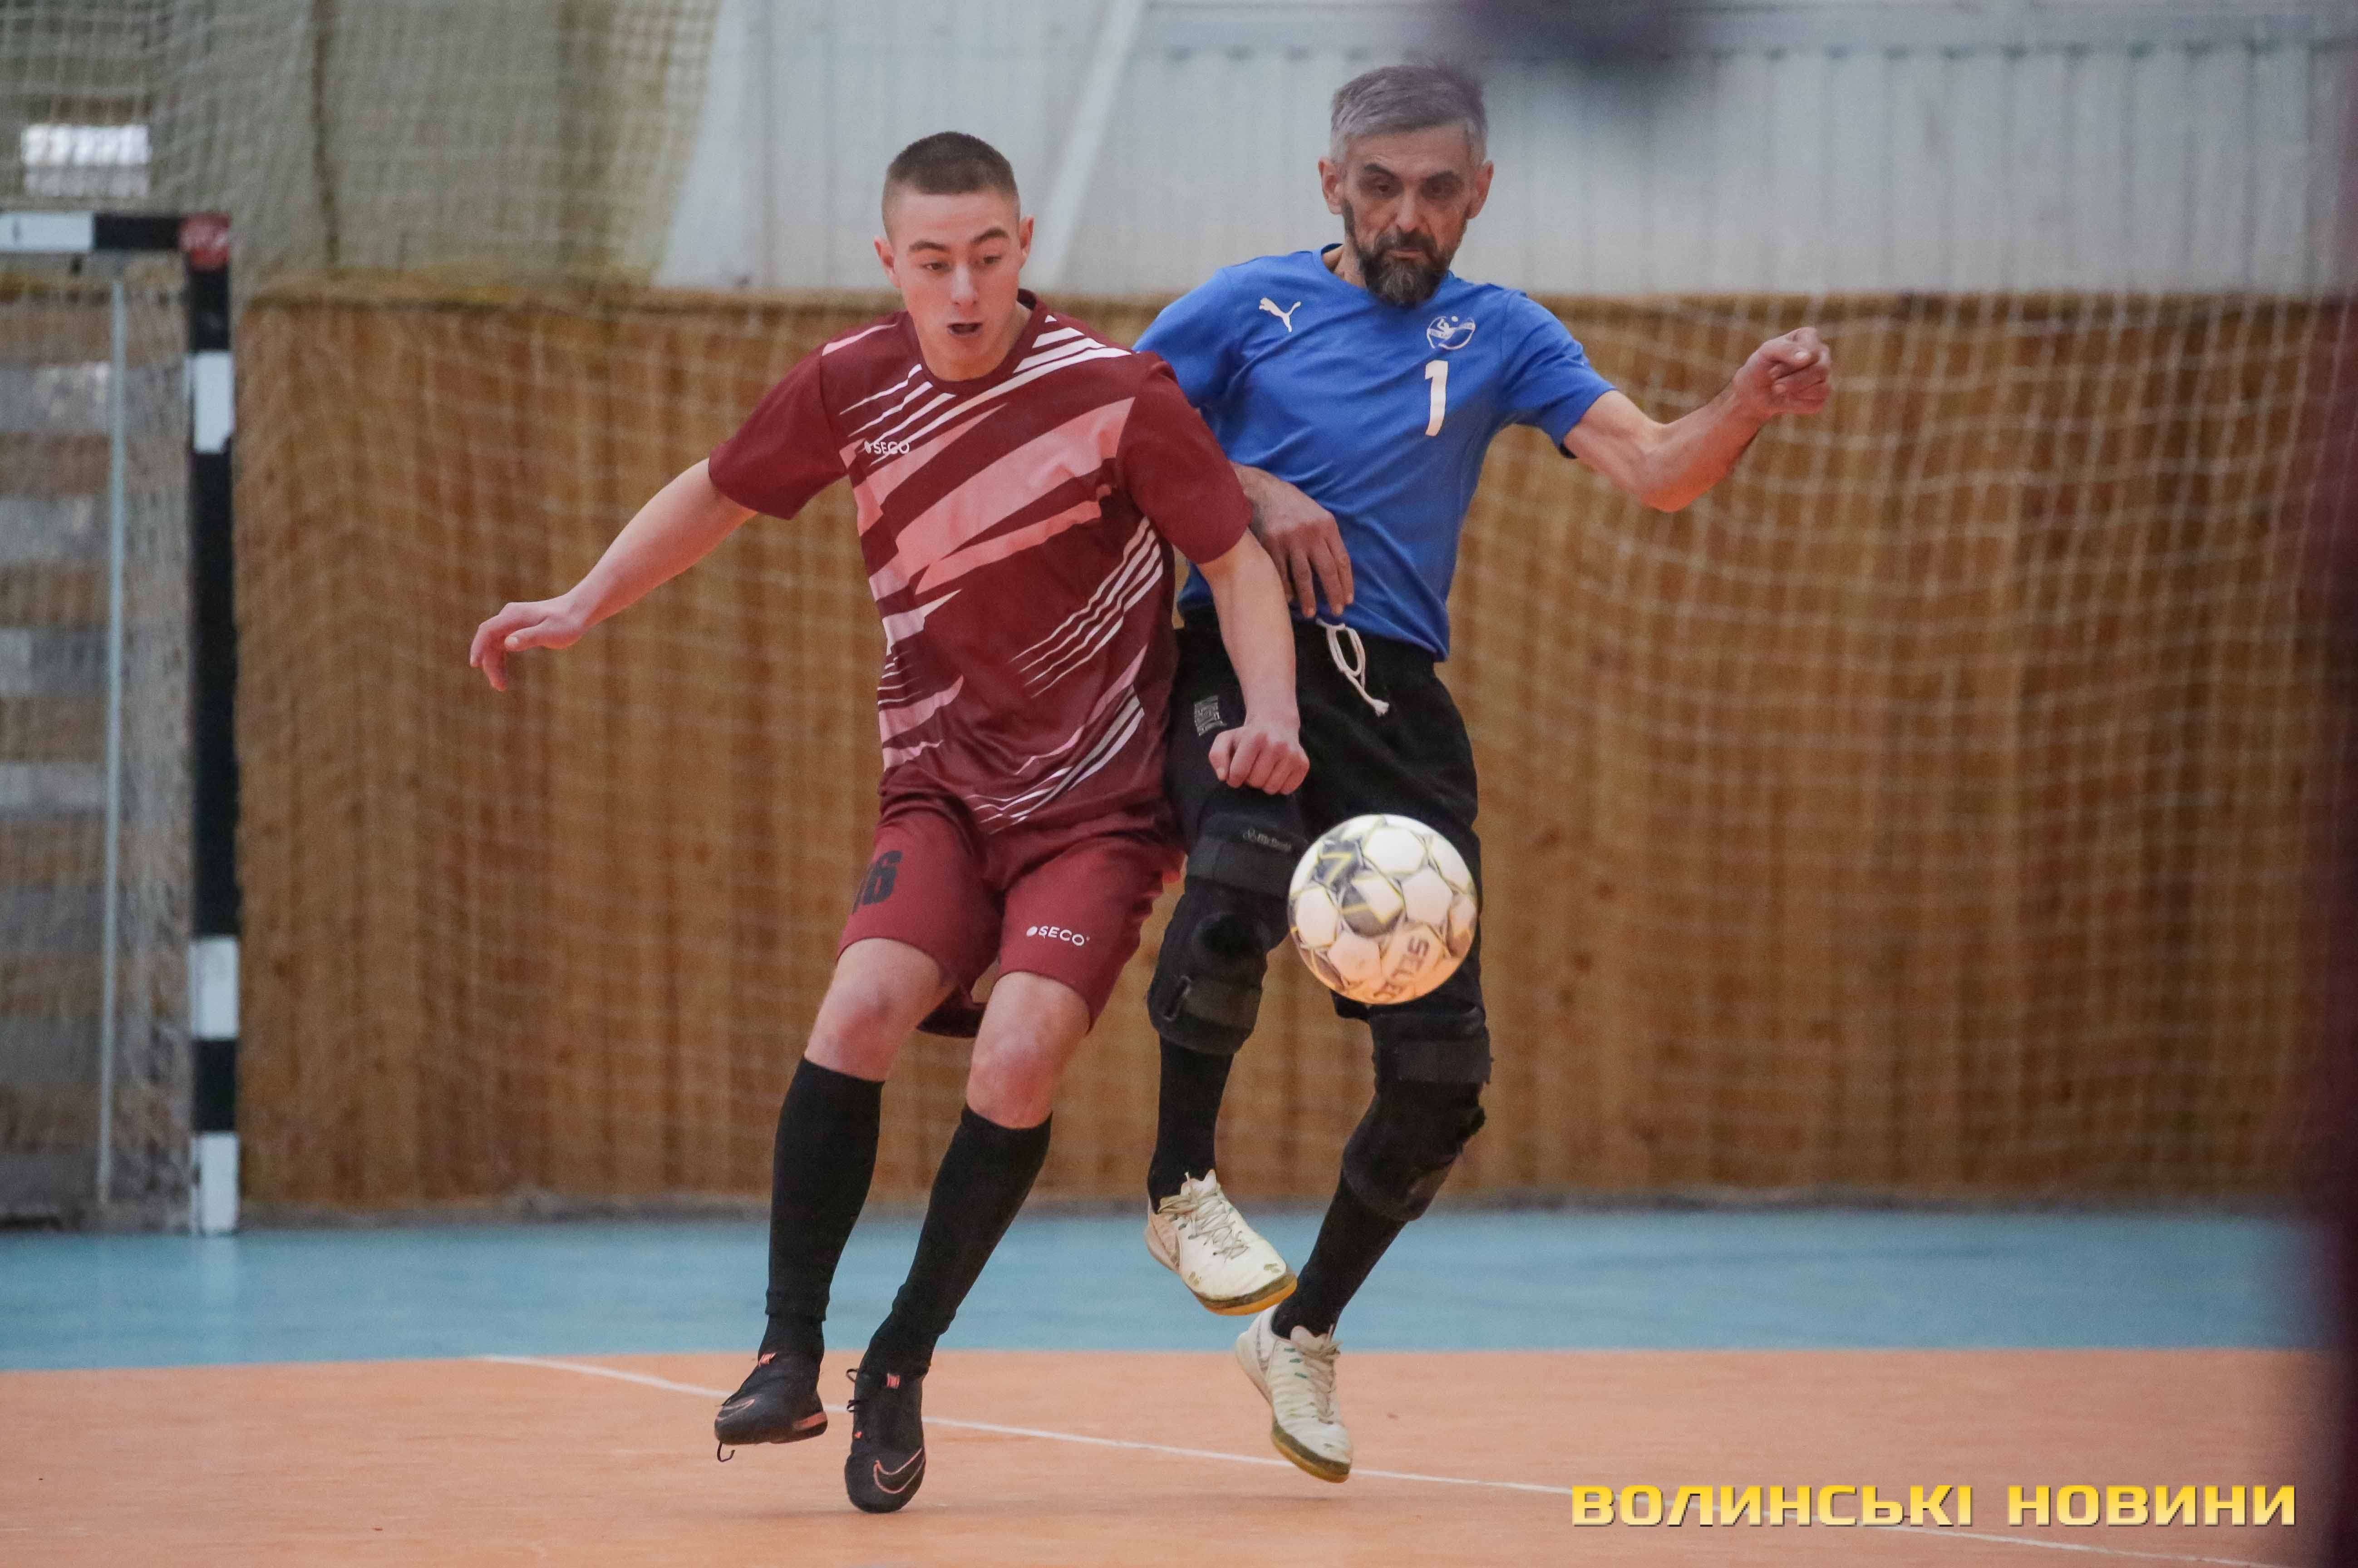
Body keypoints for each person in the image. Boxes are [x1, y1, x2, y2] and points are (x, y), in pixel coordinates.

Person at [467, 131, 1306, 1514]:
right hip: (939, 791)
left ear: (1022, 248)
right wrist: (581, 600)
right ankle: (787, 1350)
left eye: (987, 257)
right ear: (889, 264)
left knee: (1019, 1058)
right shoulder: (850, 384)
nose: (963, 290)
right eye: (932, 263)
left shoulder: (1115, 392)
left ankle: (900, 1361)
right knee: (857, 1010)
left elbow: (1230, 553)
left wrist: (1267, 712)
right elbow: (718, 490)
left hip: (1094, 812)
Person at [1131, 64, 1834, 1483]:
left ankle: (1299, 1337)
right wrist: (1254, 490)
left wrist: (1744, 403)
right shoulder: (1243, 308)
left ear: (1479, 195)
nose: (1407, 214)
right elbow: (1109, 440)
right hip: (1239, 655)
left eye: (1436, 190)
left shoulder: (1503, 331)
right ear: (1330, 183)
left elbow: (1656, 468)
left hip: (1395, 704)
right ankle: (1179, 1183)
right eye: (1379, 186)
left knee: (1443, 1076)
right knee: (1239, 877)